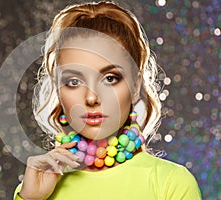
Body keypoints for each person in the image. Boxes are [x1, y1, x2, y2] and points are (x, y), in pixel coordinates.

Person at [14, 1, 201, 199]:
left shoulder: (172, 184)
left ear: (136, 86)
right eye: (74, 81)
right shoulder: (35, 188)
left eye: (110, 78)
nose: (91, 97)